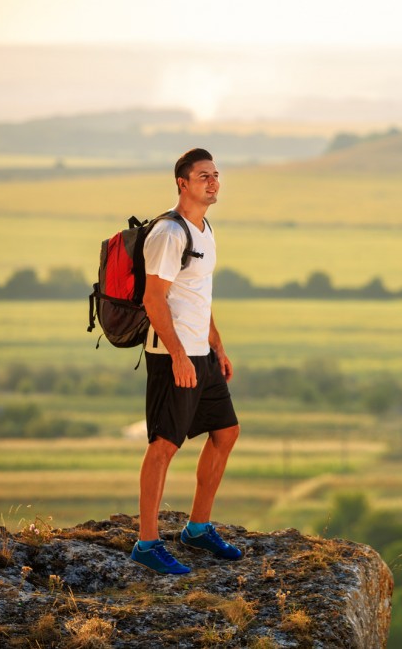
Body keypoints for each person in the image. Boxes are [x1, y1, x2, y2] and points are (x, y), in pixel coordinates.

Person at [130, 148, 243, 575]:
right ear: (182, 182)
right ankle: (147, 542)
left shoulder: (204, 228)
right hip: (170, 355)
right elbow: (153, 299)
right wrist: (178, 354)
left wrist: (217, 346)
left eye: (216, 175)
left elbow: (197, 295)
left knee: (226, 432)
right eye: (203, 176)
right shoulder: (169, 234)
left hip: (201, 354)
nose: (213, 183)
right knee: (164, 446)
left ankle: (197, 528)